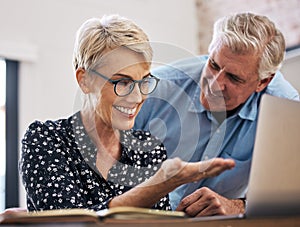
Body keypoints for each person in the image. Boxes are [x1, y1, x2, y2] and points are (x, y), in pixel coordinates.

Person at [19, 14, 235, 212]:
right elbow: (71, 221)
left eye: (144, 82)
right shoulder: (46, 139)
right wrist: (158, 185)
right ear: (84, 80)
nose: (137, 97)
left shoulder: (148, 149)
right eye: (123, 82)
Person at [134, 12, 300, 216]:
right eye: (213, 64)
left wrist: (238, 206)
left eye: (233, 78)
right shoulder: (154, 90)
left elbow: (290, 195)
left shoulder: (285, 109)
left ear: (263, 82)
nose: (214, 84)